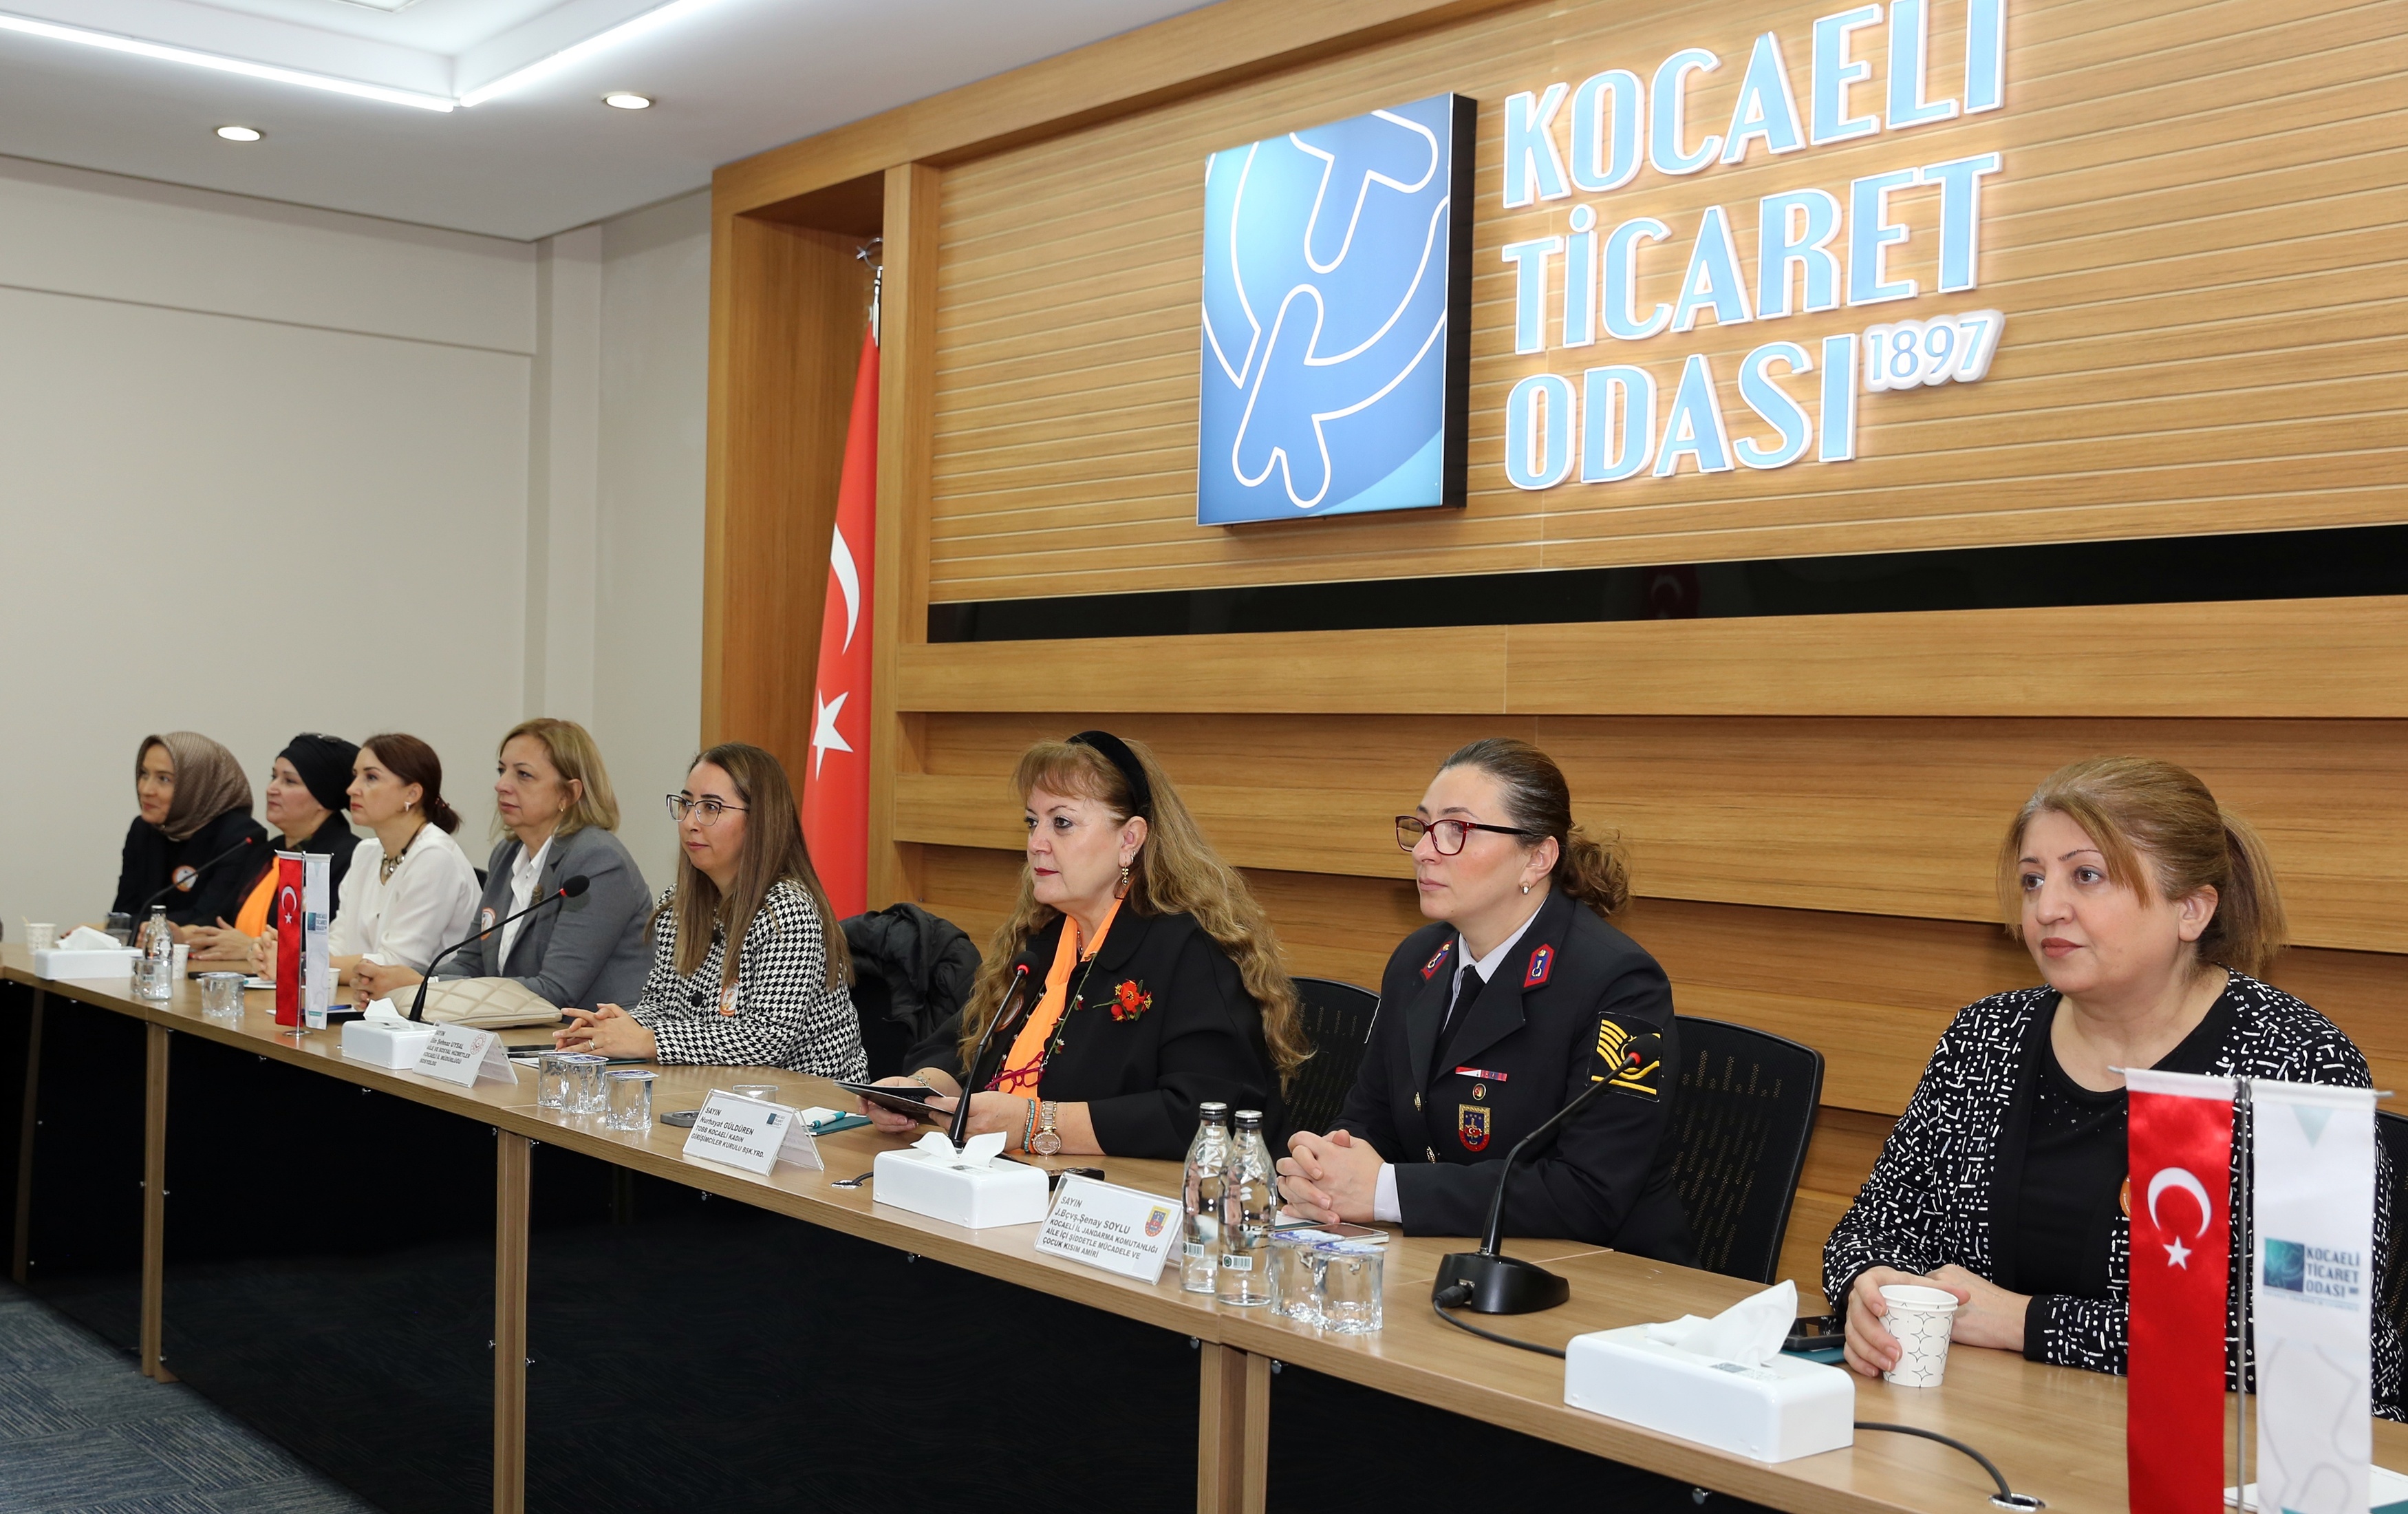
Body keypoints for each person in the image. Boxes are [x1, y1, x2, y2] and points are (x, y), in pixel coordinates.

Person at [1824, 756, 2401, 1412]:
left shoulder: (2295, 1065)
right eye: (2033, 880)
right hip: (2007, 1419)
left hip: (2253, 1446)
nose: (2047, 909)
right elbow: (1870, 1229)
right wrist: (1871, 1288)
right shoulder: (1986, 1039)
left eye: (2086, 876)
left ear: (2191, 910)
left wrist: (2029, 1323)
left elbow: (2311, 1341)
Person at [1277, 738, 1692, 1260]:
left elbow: (1589, 1193)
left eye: (1457, 830)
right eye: (1423, 826)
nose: (1424, 851)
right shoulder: (1416, 961)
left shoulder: (1619, 983)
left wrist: (1386, 1192)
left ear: (1536, 858)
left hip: (1606, 1280)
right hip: (1447, 1258)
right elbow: (1370, 1119)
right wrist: (1323, 1174)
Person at [858, 731, 1302, 1161]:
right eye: (1032, 822)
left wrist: (1036, 1124)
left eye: (1062, 823)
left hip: (1135, 1201)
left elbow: (1205, 1113)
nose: (1036, 844)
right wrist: (917, 1091)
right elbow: (963, 1046)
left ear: (1129, 840)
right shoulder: (1044, 936)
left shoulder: (1191, 949)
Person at [553, 743, 865, 1076]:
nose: (690, 822)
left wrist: (649, 1041)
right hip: (716, 1088)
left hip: (810, 1098)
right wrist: (613, 1029)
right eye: (687, 804)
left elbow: (767, 1040)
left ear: (760, 821)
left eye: (711, 808)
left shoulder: (788, 910)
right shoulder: (677, 904)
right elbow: (662, 1005)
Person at [369, 718, 650, 1012]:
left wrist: (424, 985)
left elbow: (556, 991)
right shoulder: (507, 854)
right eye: (502, 770)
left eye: (524, 775)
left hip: (586, 1034)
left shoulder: (598, 861)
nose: (501, 785)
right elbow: (471, 964)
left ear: (568, 794)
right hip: (520, 1029)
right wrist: (405, 980)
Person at [256, 733, 480, 996]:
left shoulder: (435, 856)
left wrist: (298, 964)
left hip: (430, 1012)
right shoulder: (366, 852)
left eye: (371, 778)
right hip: (366, 1002)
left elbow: (397, 966)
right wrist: (285, 953)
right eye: (355, 776)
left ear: (412, 793)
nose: (352, 789)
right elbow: (338, 945)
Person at [186, 734, 361, 962]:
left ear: (323, 798)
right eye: (274, 777)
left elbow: (328, 944)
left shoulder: (346, 858)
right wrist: (186, 934)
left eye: (289, 781)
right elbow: (223, 918)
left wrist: (252, 948)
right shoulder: (266, 851)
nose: (271, 789)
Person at [110, 732, 268, 932]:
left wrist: (120, 926)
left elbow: (207, 919)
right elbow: (124, 912)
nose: (146, 789)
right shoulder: (143, 830)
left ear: (197, 785)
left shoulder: (240, 837)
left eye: (164, 779)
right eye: (144, 774)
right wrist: (115, 927)